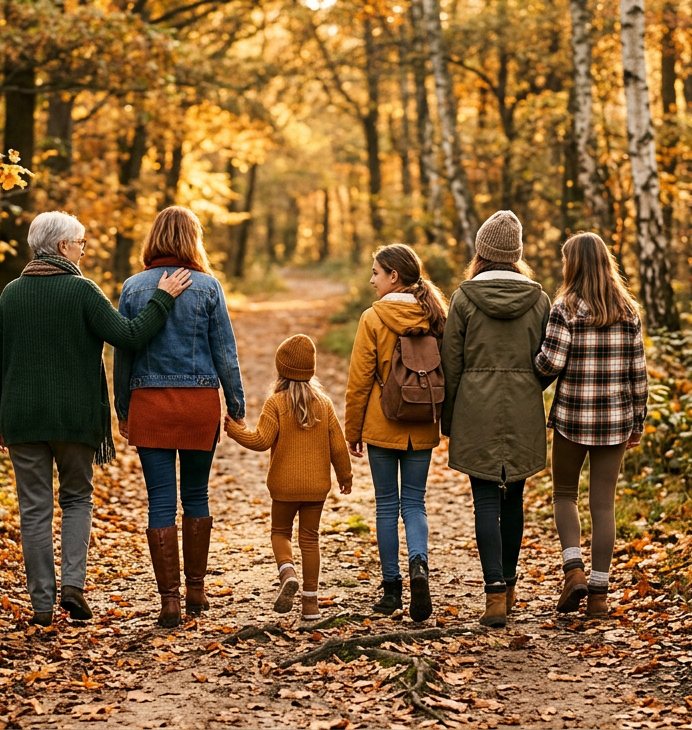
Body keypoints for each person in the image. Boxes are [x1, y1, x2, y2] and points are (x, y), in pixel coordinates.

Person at [0, 211, 193, 626]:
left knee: (34, 509)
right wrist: (163, 297)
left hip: (21, 420)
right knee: (77, 498)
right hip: (74, 419)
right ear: (64, 247)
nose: (83, 248)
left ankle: (42, 606)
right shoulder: (82, 291)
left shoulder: (11, 293)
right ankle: (73, 587)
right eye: (81, 242)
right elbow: (130, 335)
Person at [115, 206, 245, 628]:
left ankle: (168, 600)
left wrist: (122, 408)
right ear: (194, 239)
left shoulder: (133, 288)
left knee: (160, 502)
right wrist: (236, 404)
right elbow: (225, 352)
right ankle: (196, 591)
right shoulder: (207, 287)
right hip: (198, 405)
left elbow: (124, 351)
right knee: (197, 495)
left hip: (149, 404)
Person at [440, 211, 551, 628]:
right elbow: (548, 357)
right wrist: (527, 386)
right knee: (515, 499)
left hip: (475, 407)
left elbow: (452, 363)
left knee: (485, 500)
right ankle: (510, 583)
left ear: (481, 253)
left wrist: (450, 420)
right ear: (516, 255)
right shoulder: (539, 300)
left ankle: (494, 597)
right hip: (523, 407)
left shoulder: (464, 298)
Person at [534, 231, 648, 619]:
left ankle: (574, 570)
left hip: (572, 419)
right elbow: (639, 374)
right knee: (604, 505)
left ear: (574, 264)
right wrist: (638, 421)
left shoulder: (564, 307)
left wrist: (525, 371)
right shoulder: (629, 311)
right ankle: (599, 596)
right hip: (616, 421)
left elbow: (551, 364)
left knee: (564, 494)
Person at [343, 244, 447, 622]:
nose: (371, 280)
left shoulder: (373, 317)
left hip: (382, 423)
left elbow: (358, 381)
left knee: (387, 505)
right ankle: (419, 566)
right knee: (414, 503)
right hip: (422, 423)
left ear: (394, 276)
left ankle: (391, 591)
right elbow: (447, 371)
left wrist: (352, 430)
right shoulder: (435, 314)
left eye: (376, 273)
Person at [225, 335, 352, 620]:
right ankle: (311, 605)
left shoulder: (276, 403)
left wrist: (234, 430)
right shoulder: (324, 404)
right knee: (310, 539)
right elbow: (338, 444)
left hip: (284, 485)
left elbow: (260, 440)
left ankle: (287, 572)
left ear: (280, 368)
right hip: (317, 487)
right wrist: (346, 476)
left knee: (280, 533)